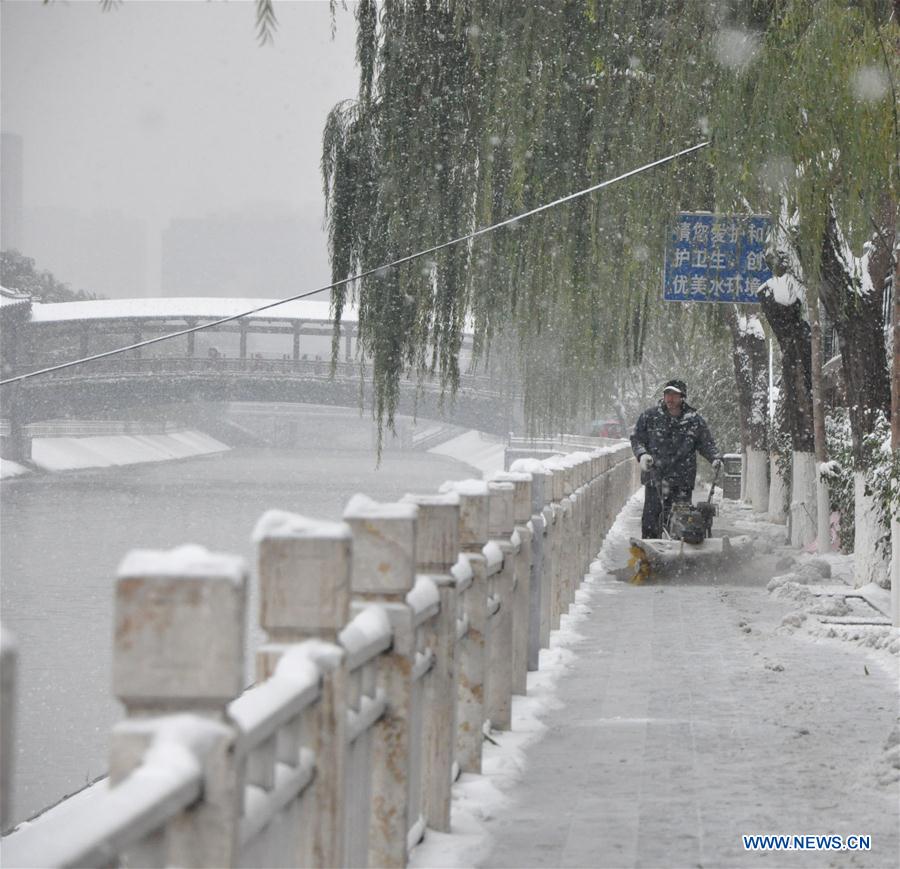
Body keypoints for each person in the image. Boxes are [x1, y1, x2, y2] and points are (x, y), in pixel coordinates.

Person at [630, 378, 723, 539]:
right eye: (667, 394)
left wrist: (715, 458)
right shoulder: (650, 417)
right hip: (655, 479)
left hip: (682, 481)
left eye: (674, 395)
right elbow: (637, 439)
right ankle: (650, 557)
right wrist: (642, 454)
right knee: (651, 521)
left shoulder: (694, 421)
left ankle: (680, 555)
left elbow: (706, 443)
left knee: (682, 522)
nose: (670, 398)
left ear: (682, 397)